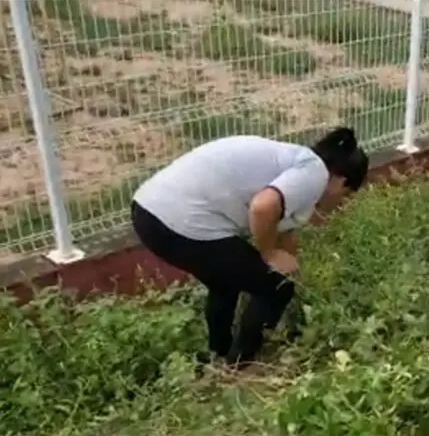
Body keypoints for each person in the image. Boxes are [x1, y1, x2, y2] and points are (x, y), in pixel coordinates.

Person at [130, 127, 369, 369]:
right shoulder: (315, 172)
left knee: (226, 281)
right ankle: (241, 367)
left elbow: (283, 231)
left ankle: (220, 355)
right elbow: (262, 208)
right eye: (347, 197)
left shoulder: (297, 164)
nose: (341, 205)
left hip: (148, 211)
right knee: (276, 288)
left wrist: (292, 267)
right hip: (180, 219)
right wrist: (269, 255)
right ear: (340, 181)